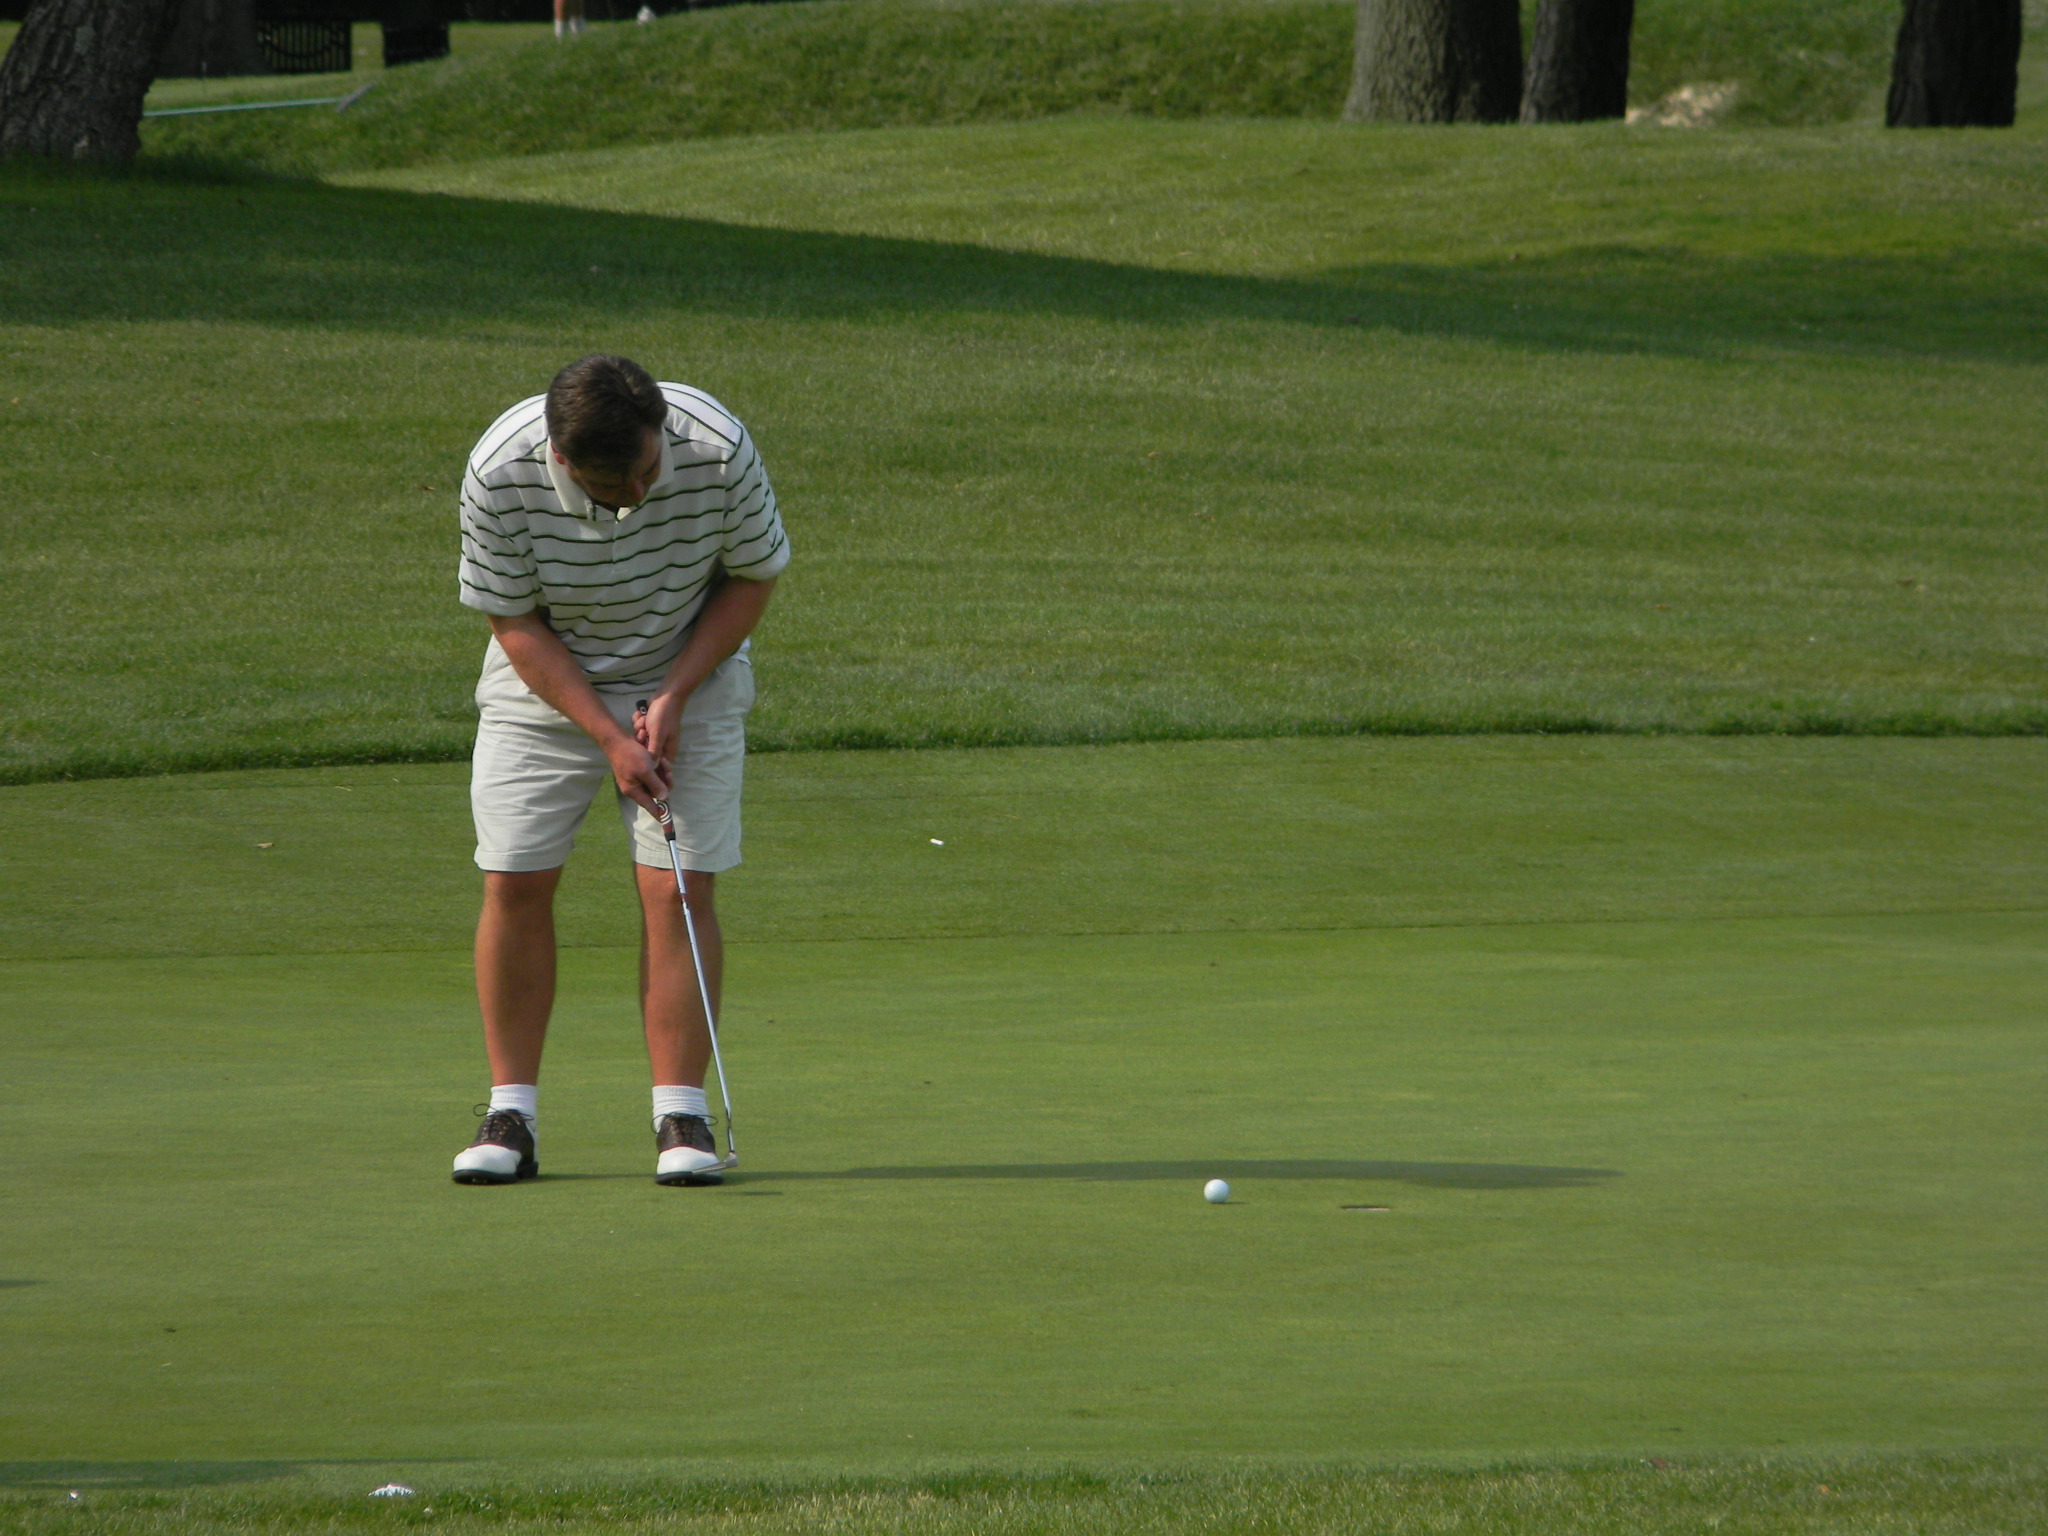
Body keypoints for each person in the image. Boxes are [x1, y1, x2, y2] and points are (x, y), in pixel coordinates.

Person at [450, 354, 788, 1187]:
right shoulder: (499, 470)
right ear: (562, 459)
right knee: (516, 878)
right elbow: (513, 621)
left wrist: (673, 695)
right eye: (613, 486)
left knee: (679, 886)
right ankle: (510, 1115)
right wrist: (610, 736)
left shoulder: (715, 444)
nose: (636, 493)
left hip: (692, 670)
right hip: (544, 680)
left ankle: (682, 1116)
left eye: (647, 470)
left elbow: (754, 575)